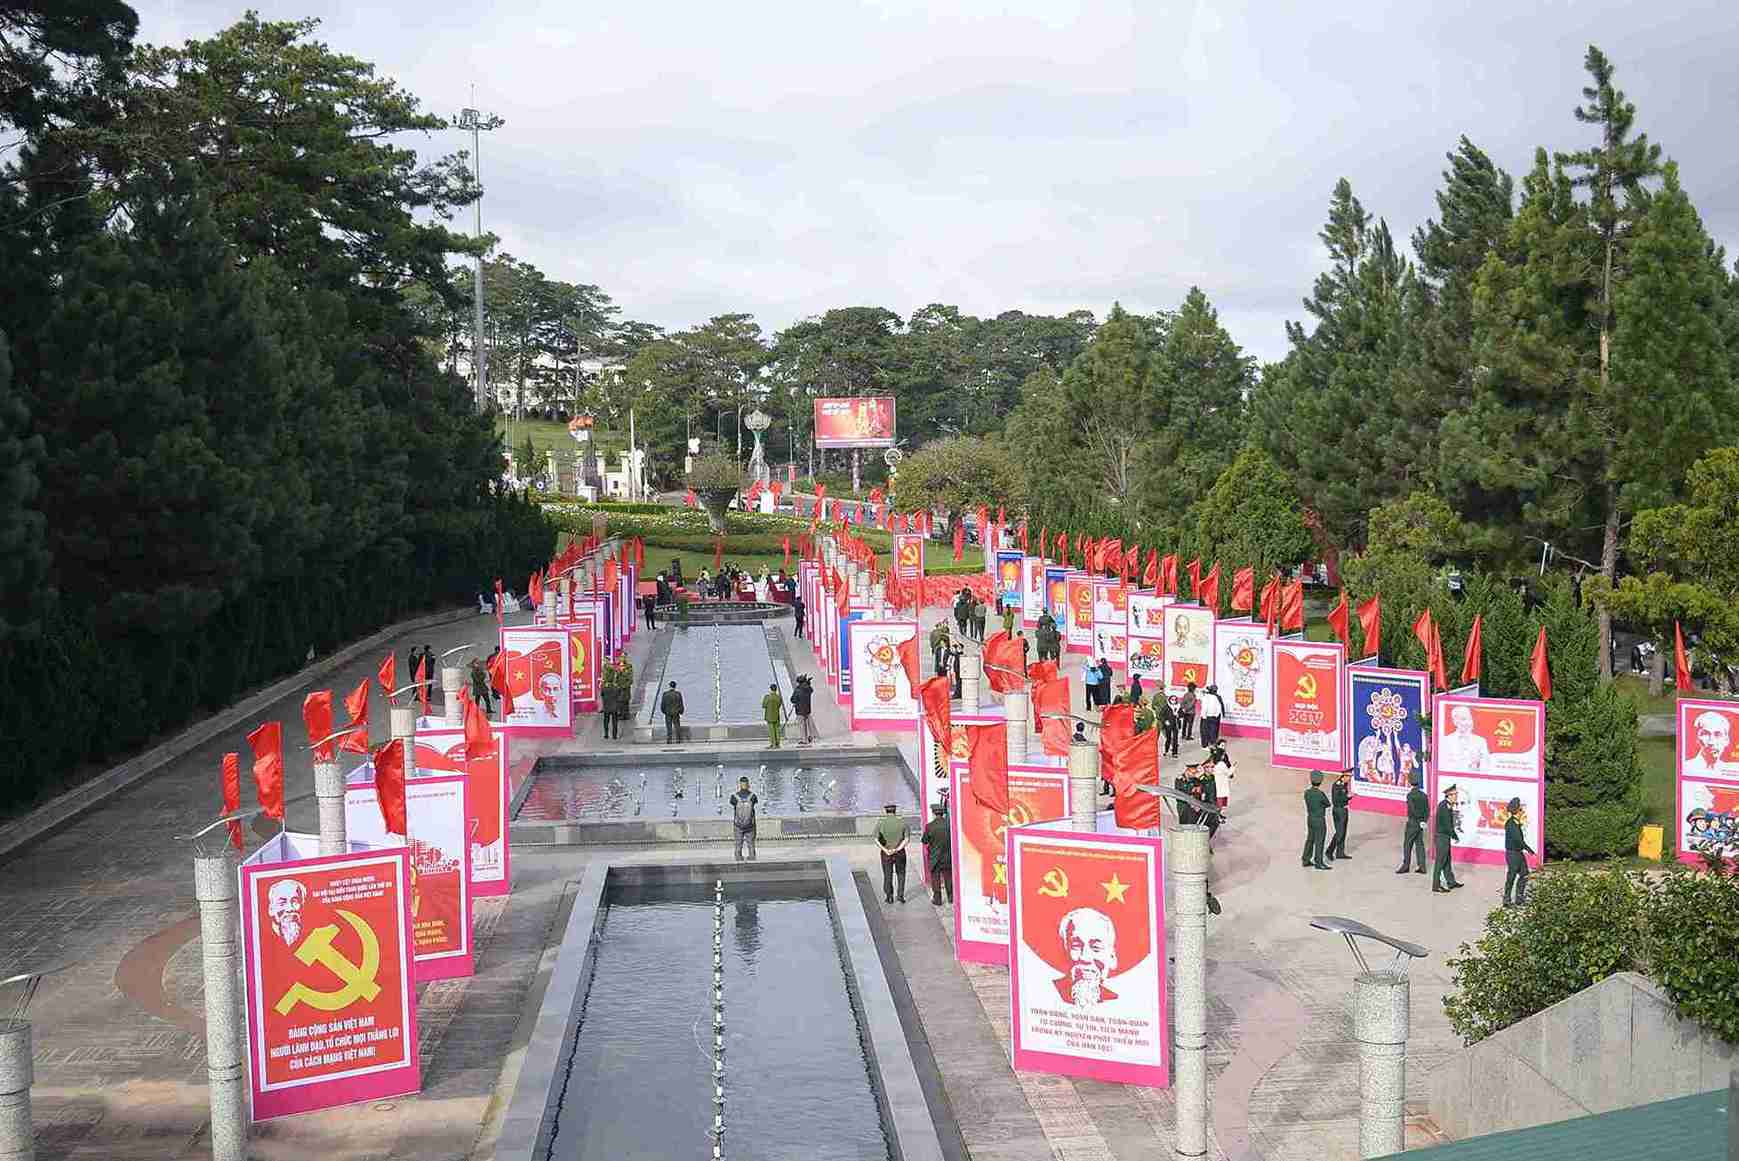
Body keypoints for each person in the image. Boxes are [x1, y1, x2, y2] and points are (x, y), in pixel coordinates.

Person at [1502, 797, 1535, 907]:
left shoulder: (1516, 823)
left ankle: (1519, 898)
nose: (1523, 811)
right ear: (1517, 811)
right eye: (1521, 810)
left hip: (1518, 853)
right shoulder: (1511, 824)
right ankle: (1506, 900)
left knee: (1524, 874)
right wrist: (1530, 851)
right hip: (1512, 854)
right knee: (1511, 876)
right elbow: (1519, 841)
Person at [1439, 704, 1491, 771]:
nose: (1468, 723)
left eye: (1470, 719)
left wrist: (1479, 764)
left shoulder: (1481, 741)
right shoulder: (1445, 741)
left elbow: (1487, 767)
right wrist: (1470, 762)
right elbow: (1443, 766)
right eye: (1464, 719)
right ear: (1455, 722)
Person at [1432, 784, 1463, 893]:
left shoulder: (1447, 805)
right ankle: (1436, 885)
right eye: (1454, 794)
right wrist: (1455, 836)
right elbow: (1447, 826)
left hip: (1444, 837)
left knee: (1447, 861)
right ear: (1448, 795)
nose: (1456, 796)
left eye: (1456, 794)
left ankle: (1451, 882)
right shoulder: (1444, 807)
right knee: (1440, 862)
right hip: (1442, 838)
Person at [1396, 772, 1428, 874]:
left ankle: (1406, 866)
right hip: (1421, 823)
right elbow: (1427, 810)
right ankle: (1422, 866)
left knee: (1407, 844)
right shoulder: (1424, 795)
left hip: (1412, 823)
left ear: (1410, 783)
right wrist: (1423, 821)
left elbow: (1411, 809)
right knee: (1419, 844)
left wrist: (1416, 819)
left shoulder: (1410, 795)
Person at [876, 804, 909, 904]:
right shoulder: (902, 822)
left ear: (886, 811)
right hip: (900, 853)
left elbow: (876, 839)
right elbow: (906, 839)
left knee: (887, 874)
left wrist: (885, 850)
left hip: (886, 853)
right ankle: (900, 896)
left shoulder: (881, 823)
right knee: (901, 874)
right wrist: (898, 849)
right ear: (895, 811)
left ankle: (889, 897)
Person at [922, 802, 952, 905]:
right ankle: (951, 897)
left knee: (935, 879)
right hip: (947, 857)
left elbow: (924, 840)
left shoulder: (930, 826)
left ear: (934, 813)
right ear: (943, 813)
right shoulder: (949, 825)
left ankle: (938, 899)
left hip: (935, 857)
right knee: (948, 877)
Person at [1302, 771, 1331, 870]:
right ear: (1321, 781)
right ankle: (1319, 862)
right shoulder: (1320, 794)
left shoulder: (1307, 792)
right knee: (1319, 840)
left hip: (1310, 818)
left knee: (1310, 839)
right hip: (1319, 820)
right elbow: (1328, 804)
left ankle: (1305, 859)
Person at [1327, 768, 1354, 859]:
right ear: (1344, 776)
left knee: (1343, 832)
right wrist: (1348, 797)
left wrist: (1347, 797)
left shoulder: (1344, 784)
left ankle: (1340, 853)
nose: (1349, 779)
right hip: (1339, 811)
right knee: (1339, 832)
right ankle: (1329, 851)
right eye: (1348, 777)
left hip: (1344, 810)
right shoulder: (1337, 785)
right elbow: (1336, 800)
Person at [730, 776, 758, 862]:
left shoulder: (734, 797)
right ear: (748, 784)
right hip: (750, 825)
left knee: (738, 844)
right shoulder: (753, 796)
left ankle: (738, 858)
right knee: (751, 843)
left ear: (740, 785)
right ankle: (752, 858)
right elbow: (755, 802)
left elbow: (732, 803)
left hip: (738, 825)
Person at [792, 675, 816, 743]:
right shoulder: (808, 689)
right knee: (809, 725)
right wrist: (808, 683)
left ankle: (804, 740)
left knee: (802, 726)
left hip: (800, 710)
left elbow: (793, 699)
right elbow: (811, 690)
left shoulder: (798, 690)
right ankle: (811, 737)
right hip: (807, 709)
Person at [762, 683, 786, 748]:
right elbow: (779, 705)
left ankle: (773, 744)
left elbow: (763, 705)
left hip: (769, 716)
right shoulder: (778, 697)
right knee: (777, 730)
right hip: (776, 715)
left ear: (770, 689)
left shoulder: (767, 697)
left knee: (771, 731)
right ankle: (778, 743)